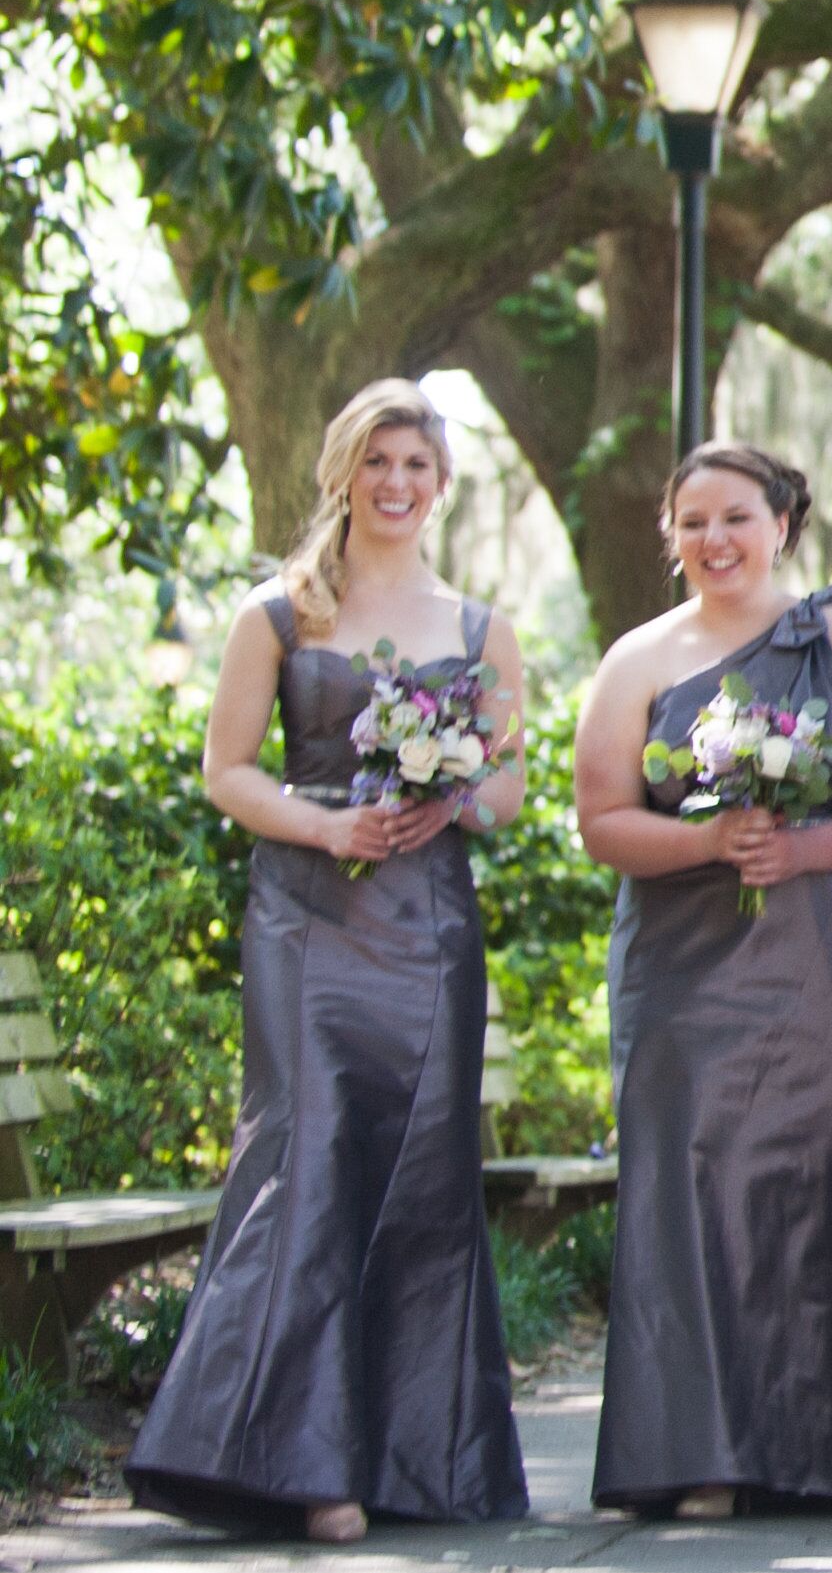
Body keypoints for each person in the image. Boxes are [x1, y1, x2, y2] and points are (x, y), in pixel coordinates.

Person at [131, 379, 529, 1537]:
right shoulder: (279, 613)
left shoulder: (477, 626)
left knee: (420, 1173)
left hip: (429, 926)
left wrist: (452, 799)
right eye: (379, 463)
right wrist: (325, 823)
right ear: (344, 472)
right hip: (307, 912)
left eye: (418, 466)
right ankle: (304, 1467)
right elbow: (229, 769)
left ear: (442, 485)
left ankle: (414, 1460)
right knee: (304, 1157)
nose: (397, 484)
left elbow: (506, 782)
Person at [572, 443, 832, 1516]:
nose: (714, 539)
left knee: (827, 1168)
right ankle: (703, 1450)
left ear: (783, 521)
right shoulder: (638, 658)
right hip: (687, 965)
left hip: (823, 950)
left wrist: (801, 851)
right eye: (692, 522)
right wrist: (713, 841)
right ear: (671, 537)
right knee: (693, 1178)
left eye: (735, 516)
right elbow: (602, 820)